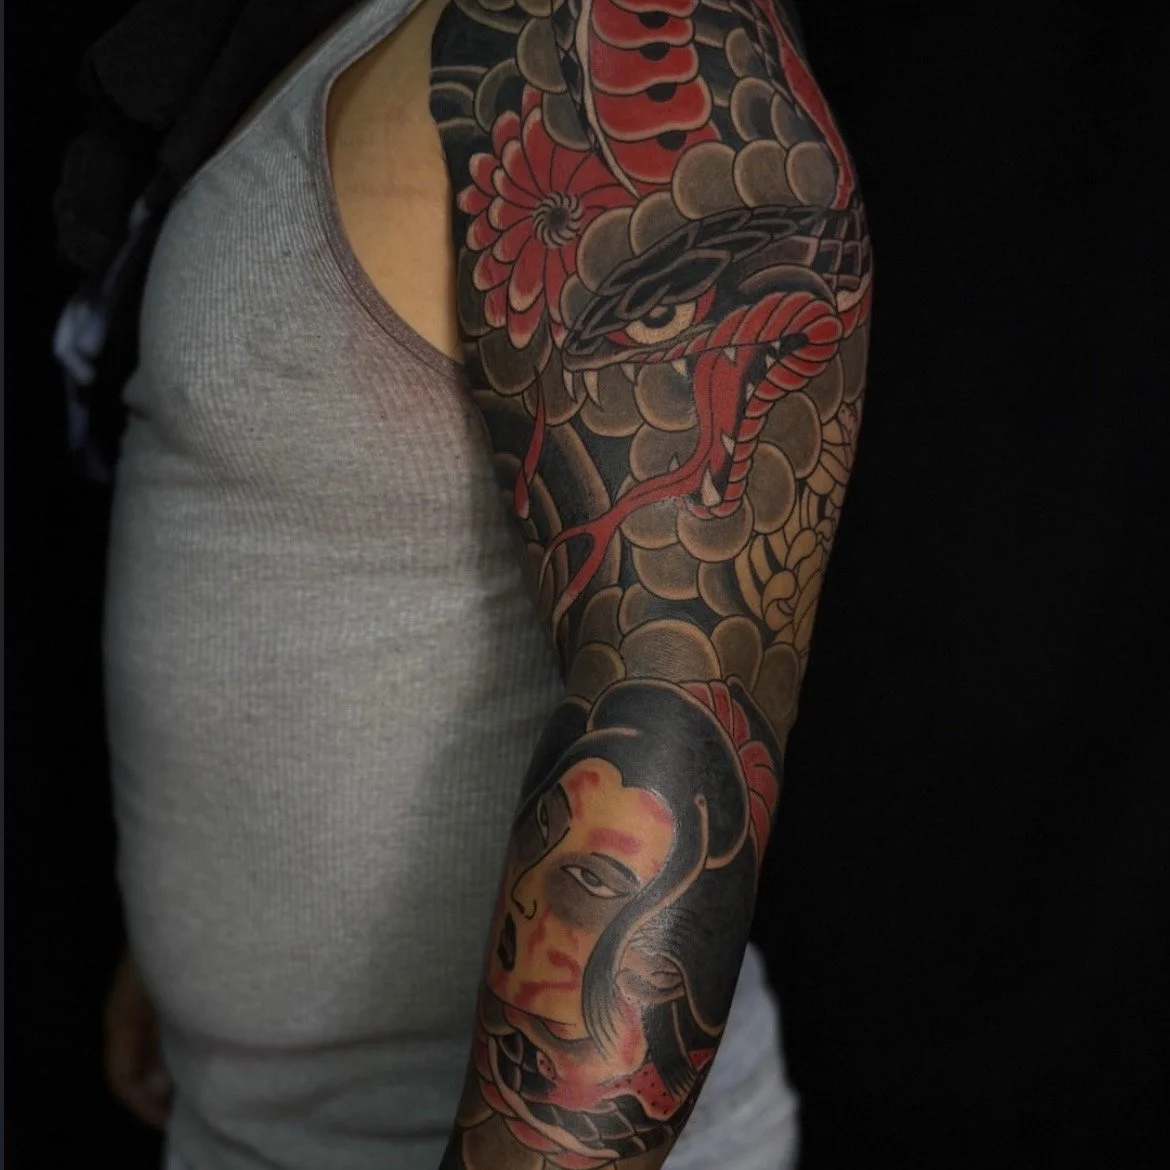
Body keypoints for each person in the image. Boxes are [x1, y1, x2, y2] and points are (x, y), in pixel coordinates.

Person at [95, 0, 869, 1167]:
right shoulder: (346, 36)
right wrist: (198, 947)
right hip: (256, 1117)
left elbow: (676, 713)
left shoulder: (622, 40)